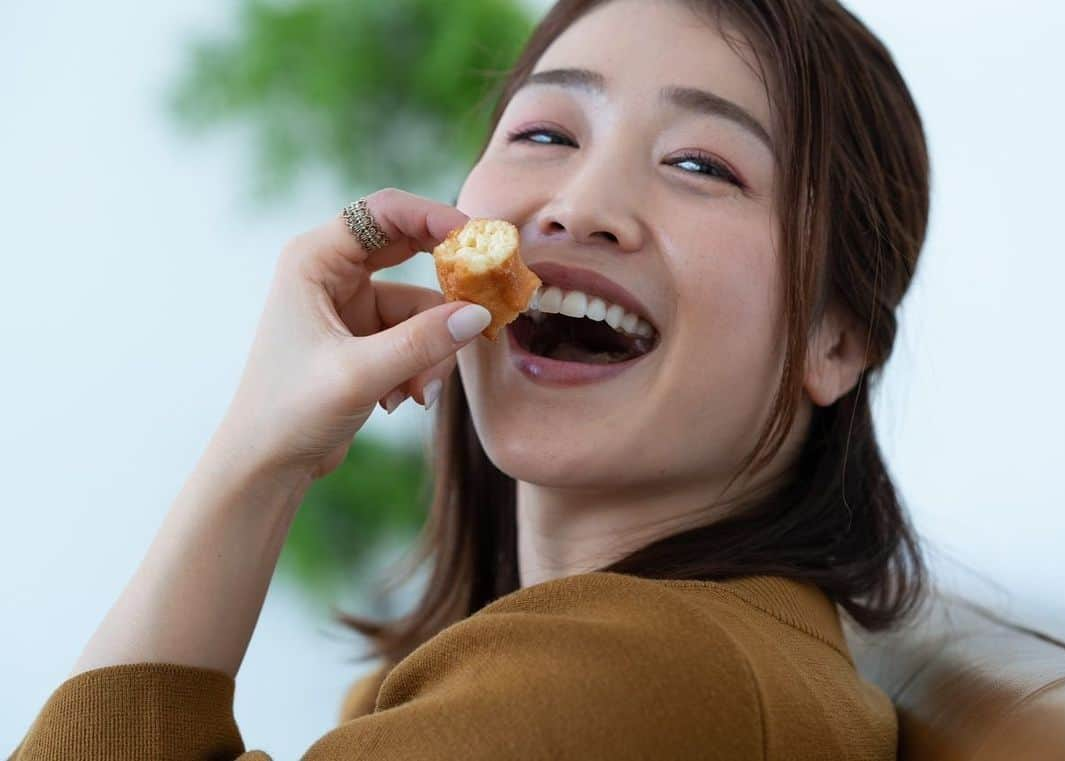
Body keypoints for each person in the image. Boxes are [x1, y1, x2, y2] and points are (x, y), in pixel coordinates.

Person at [9, 0, 932, 759]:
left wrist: (254, 454)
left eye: (701, 163)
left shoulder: (646, 678)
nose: (579, 206)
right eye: (542, 132)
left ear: (837, 340)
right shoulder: (605, 666)